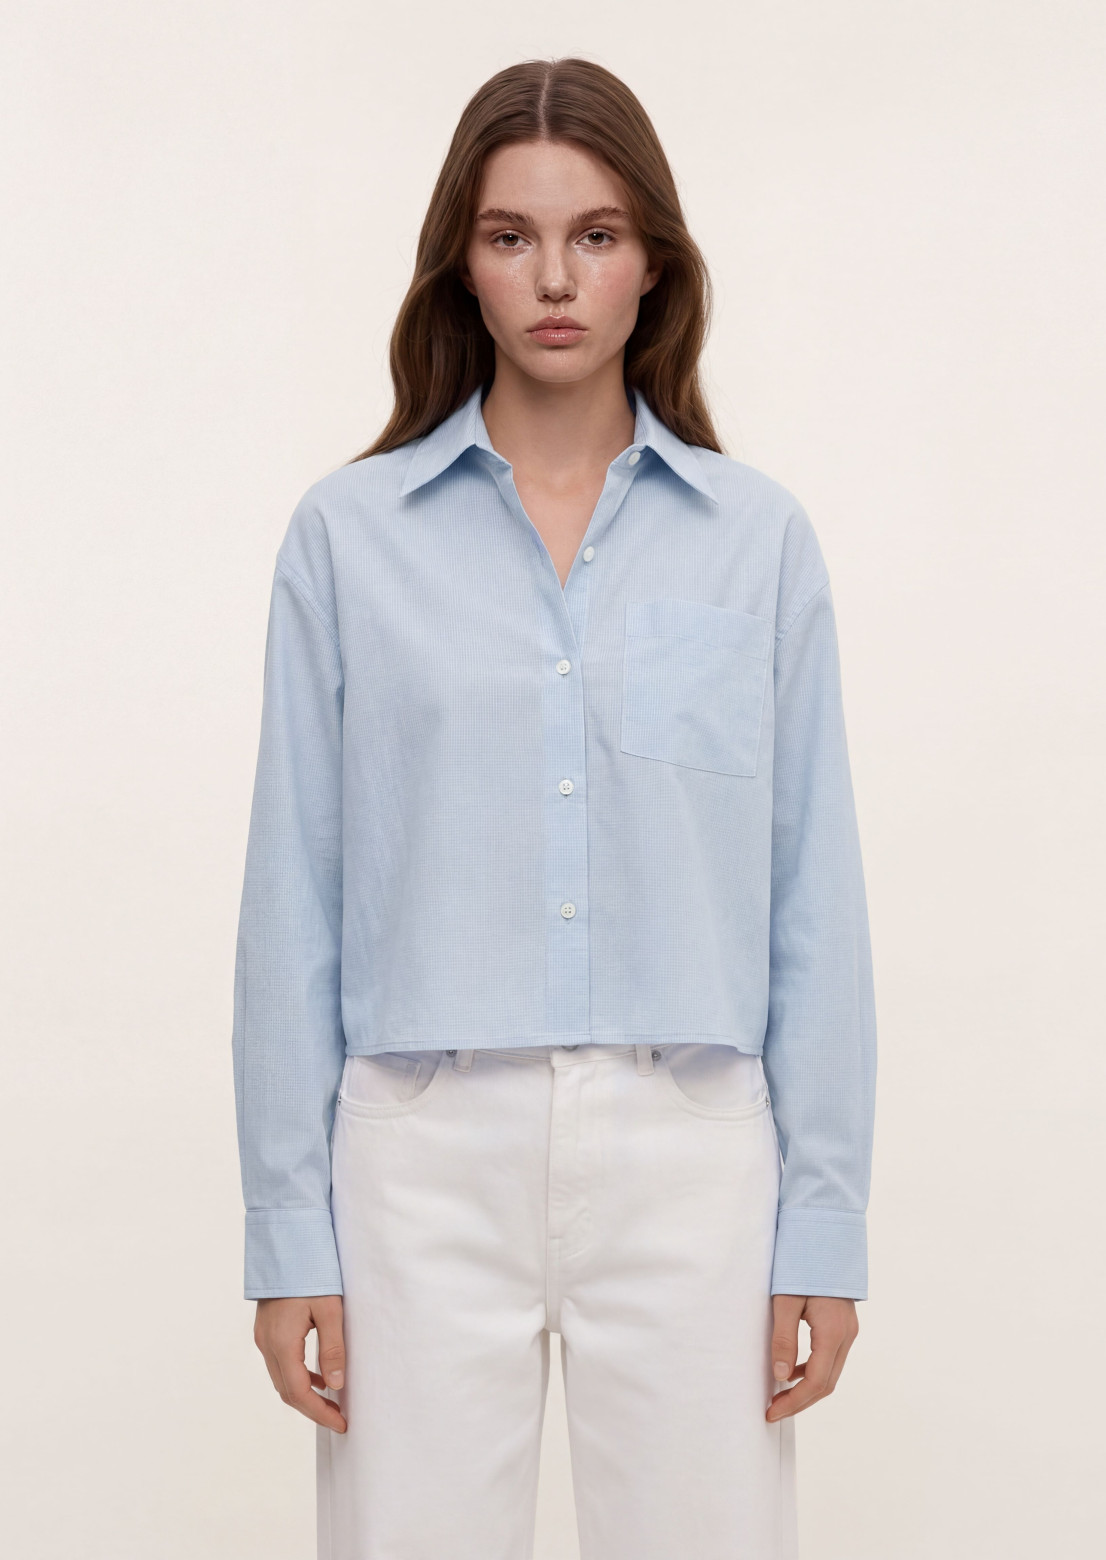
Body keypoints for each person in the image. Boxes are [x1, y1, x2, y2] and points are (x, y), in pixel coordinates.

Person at [232, 56, 877, 1560]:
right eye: (510, 235)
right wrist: (286, 1231)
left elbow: (813, 896)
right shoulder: (347, 538)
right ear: (461, 263)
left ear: (654, 261)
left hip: (693, 1147)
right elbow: (291, 894)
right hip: (417, 1151)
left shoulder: (757, 541)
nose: (555, 279)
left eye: (596, 234)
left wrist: (826, 1221)